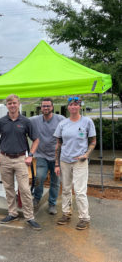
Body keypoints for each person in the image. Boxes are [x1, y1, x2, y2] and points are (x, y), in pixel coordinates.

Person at [0, 94, 41, 230]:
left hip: (20, 160)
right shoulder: (1, 122)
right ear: (7, 105)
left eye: (14, 103)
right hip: (4, 159)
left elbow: (36, 139)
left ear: (18, 104)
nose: (12, 105)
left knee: (24, 189)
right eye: (9, 103)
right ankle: (12, 213)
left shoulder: (25, 121)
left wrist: (30, 155)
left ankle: (29, 217)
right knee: (8, 188)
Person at [54, 97, 96, 230]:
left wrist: (86, 155)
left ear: (79, 106)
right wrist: (56, 163)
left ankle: (84, 218)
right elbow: (59, 144)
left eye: (75, 105)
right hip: (65, 160)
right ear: (68, 107)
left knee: (80, 191)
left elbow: (93, 141)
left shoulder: (87, 122)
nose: (73, 107)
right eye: (71, 105)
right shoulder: (63, 124)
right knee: (66, 189)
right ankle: (66, 213)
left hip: (80, 161)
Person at [30, 98, 65, 215]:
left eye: (48, 106)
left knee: (55, 182)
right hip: (41, 155)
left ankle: (52, 204)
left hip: (57, 157)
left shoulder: (60, 120)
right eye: (44, 106)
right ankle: (36, 198)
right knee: (39, 177)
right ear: (41, 108)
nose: (46, 108)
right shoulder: (35, 120)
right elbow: (22, 122)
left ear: (52, 107)